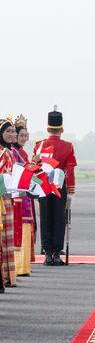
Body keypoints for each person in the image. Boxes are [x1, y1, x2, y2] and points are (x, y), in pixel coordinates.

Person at [34, 107, 76, 267]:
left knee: (45, 219)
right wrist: (71, 191)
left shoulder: (39, 146)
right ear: (62, 129)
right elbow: (70, 172)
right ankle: (57, 254)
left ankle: (48, 253)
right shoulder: (68, 146)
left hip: (43, 186)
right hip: (59, 187)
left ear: (47, 128)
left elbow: (34, 168)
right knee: (59, 219)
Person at [12, 115, 35, 276]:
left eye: (26, 135)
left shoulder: (21, 152)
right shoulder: (13, 152)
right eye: (21, 135)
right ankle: (19, 266)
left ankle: (23, 266)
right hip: (17, 195)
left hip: (25, 194)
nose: (24, 138)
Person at [0, 118, 17, 287]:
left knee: (7, 238)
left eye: (13, 131)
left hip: (8, 197)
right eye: (8, 131)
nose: (12, 134)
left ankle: (8, 276)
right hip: (2, 198)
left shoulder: (9, 152)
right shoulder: (3, 153)